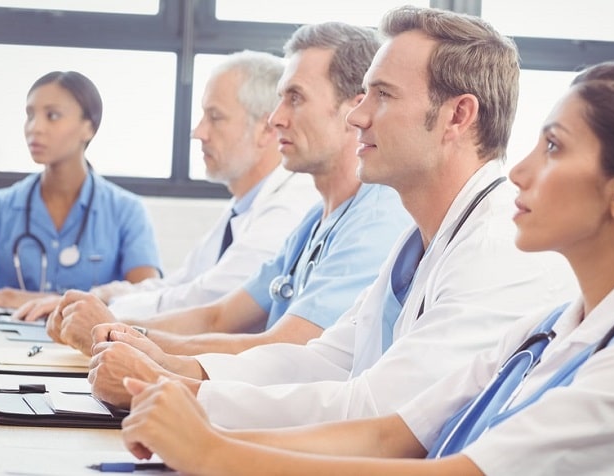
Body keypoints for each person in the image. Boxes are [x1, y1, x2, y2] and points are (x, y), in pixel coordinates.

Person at [118, 58, 614, 475]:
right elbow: (387, 437)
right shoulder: (547, 329)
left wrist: (210, 448)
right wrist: (199, 417)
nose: (519, 170)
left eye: (553, 147)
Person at [86, 3, 576, 421]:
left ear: (457, 116)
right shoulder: (420, 241)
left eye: (382, 95)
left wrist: (178, 393)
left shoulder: (500, 250)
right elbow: (325, 361)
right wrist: (170, 366)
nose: (357, 116)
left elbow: (376, 411)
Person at [45, 22, 414, 358]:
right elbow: (218, 315)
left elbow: (285, 348)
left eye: (295, 98)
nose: (276, 118)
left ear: (355, 107)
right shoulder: (314, 221)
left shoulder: (377, 219)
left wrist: (113, 334)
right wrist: (112, 328)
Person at [12, 51, 319, 321]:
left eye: (215, 117)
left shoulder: (288, 208)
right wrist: (97, 298)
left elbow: (208, 299)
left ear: (265, 129)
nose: (198, 132)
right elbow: (180, 283)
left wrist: (107, 311)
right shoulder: (243, 206)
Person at [0, 71, 161, 312]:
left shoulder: (127, 210)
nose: (35, 128)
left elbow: (148, 296)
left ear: (89, 128)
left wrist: (35, 300)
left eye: (52, 116)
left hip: (90, 346)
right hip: (4, 344)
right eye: (30, 115)